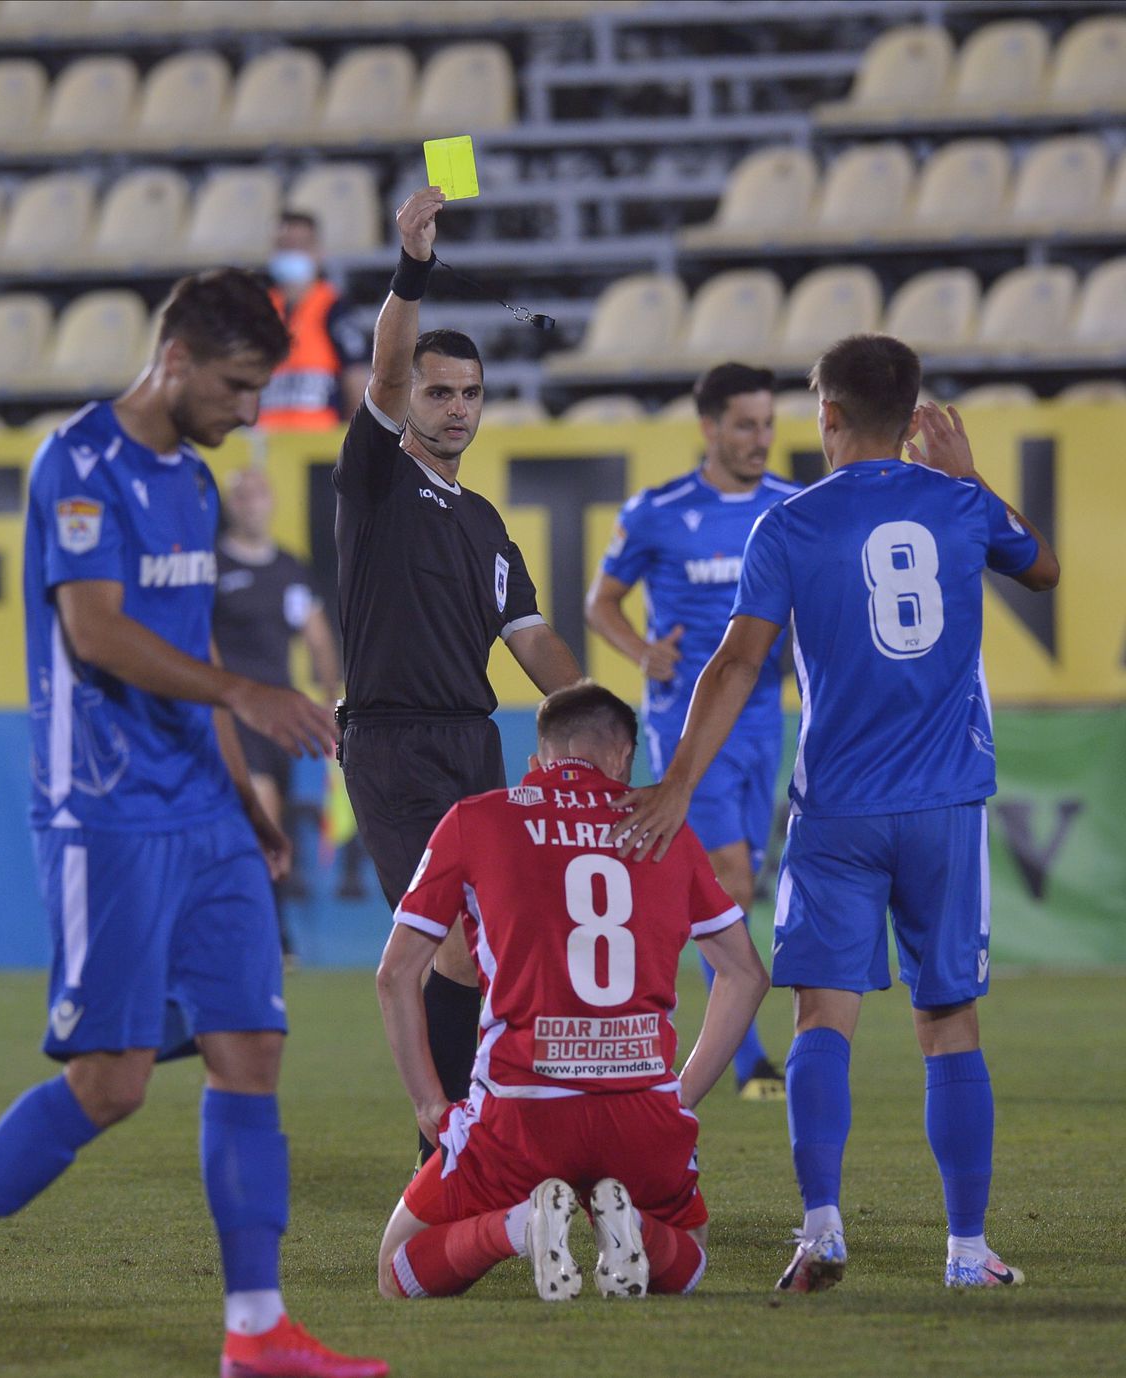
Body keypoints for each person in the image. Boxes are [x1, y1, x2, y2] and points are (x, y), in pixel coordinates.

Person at [0, 269, 386, 1378]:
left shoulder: (191, 480)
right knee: (114, 1081)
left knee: (250, 1047)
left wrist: (242, 795)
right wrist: (242, 703)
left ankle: (255, 1329)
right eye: (236, 388)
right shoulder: (78, 465)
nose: (247, 414)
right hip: (107, 812)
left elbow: (200, 657)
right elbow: (96, 632)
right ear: (175, 362)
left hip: (202, 811)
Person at [608, 334, 1059, 1294]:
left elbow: (735, 664)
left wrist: (679, 781)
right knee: (949, 1022)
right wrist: (972, 477)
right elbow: (1046, 569)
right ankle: (968, 1252)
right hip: (944, 803)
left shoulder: (790, 524)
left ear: (829, 416)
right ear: (915, 415)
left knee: (821, 1016)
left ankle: (820, 1231)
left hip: (837, 812)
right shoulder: (963, 505)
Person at [373, 682, 770, 1302]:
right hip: (639, 1108)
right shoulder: (665, 829)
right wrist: (680, 1093)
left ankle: (516, 1229)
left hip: (521, 1110)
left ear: (538, 760)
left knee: (396, 1267)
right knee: (691, 1256)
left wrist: (428, 1102)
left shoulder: (477, 819)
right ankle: (634, 1227)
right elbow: (747, 975)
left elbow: (395, 976)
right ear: (624, 758)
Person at [333, 186, 583, 1162]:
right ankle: (445, 1148)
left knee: (497, 951)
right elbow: (388, 365)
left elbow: (533, 641)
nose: (456, 408)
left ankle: (483, 1130)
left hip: (474, 742)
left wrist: (596, 728)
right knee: (456, 945)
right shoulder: (379, 474)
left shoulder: (486, 526)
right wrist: (412, 266)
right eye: (440, 392)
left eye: (470, 394)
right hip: (392, 745)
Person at [586, 362, 796, 1101]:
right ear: (709, 428)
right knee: (728, 880)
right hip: (687, 725)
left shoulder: (791, 506)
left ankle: (674, 1030)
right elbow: (600, 602)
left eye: (768, 424)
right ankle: (745, 1062)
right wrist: (644, 653)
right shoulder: (658, 510)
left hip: (765, 717)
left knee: (741, 885)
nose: (760, 439)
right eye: (745, 424)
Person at [214, 465, 342, 954]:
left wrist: (330, 699)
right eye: (240, 494)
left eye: (258, 492)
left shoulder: (288, 568)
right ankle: (269, 936)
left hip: (281, 720)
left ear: (270, 501)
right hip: (233, 714)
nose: (250, 502)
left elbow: (316, 634)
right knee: (258, 812)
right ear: (230, 505)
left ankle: (266, 928)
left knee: (274, 824)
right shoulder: (212, 567)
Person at [259, 209, 370, 430]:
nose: (292, 254)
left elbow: (357, 380)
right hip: (266, 444)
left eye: (300, 246)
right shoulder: (259, 309)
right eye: (285, 246)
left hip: (317, 445)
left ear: (318, 252)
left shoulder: (335, 309)